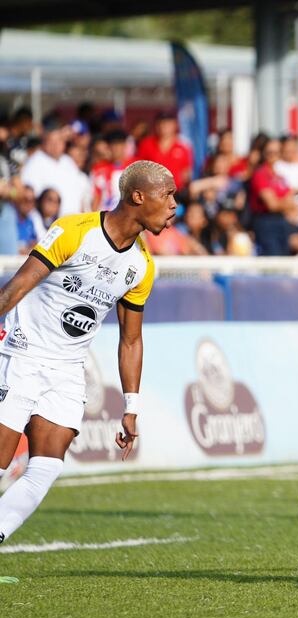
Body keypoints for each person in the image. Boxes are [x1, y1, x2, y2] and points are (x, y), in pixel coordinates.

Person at [0, 160, 170, 568]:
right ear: (138, 196)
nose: (173, 205)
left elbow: (131, 340)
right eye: (167, 195)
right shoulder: (75, 231)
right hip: (21, 353)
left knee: (46, 467)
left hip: (66, 370)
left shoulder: (142, 266)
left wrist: (131, 407)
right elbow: (17, 286)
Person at [249, 137, 297, 256]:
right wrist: (285, 204)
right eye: (270, 152)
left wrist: (283, 203)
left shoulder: (279, 176)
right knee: (273, 258)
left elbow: (291, 202)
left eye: (276, 152)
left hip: (281, 222)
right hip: (266, 223)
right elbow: (272, 205)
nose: (273, 155)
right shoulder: (260, 174)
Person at [135, 111, 194, 190]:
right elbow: (139, 168)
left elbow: (187, 172)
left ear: (175, 125)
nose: (164, 126)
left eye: (168, 123)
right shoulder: (146, 144)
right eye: (161, 123)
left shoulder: (183, 146)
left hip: (175, 191)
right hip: (152, 190)